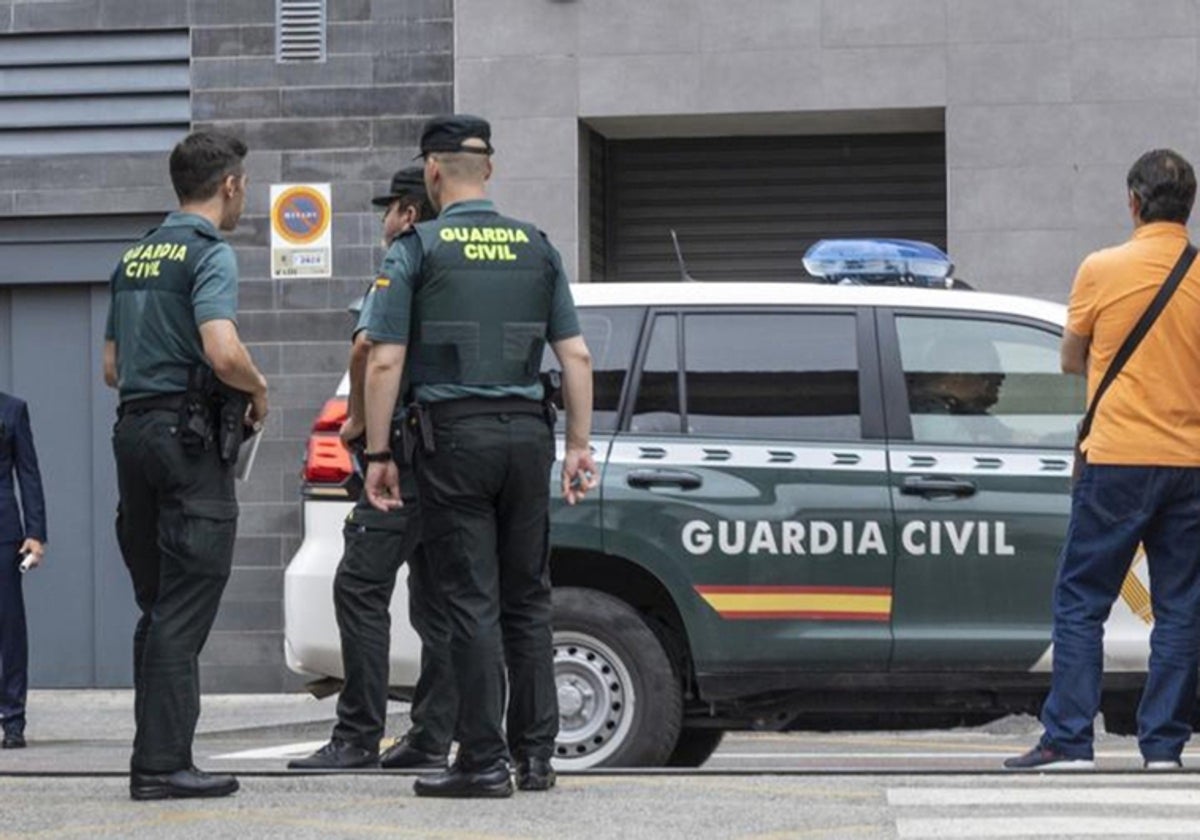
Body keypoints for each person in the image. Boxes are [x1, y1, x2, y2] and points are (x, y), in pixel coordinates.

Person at [363, 114, 598, 798]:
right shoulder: (538, 246)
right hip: (528, 437)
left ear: (432, 173)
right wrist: (579, 447)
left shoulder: (418, 250)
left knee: (470, 600)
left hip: (453, 439)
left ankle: (482, 761)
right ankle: (537, 757)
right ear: (488, 169)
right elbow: (576, 355)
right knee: (529, 599)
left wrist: (379, 452)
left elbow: (384, 361)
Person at [1006, 148, 1200, 771]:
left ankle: (1068, 740)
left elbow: (1070, 358)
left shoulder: (1100, 268)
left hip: (1116, 460)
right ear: (1188, 207)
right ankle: (1164, 747)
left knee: (1081, 600)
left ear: (1133, 202)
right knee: (1180, 606)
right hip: (1191, 463)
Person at [103, 131, 268, 799]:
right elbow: (223, 350)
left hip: (134, 434)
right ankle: (163, 765)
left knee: (158, 605)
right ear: (229, 185)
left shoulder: (135, 255)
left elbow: (112, 369)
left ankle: (155, 755)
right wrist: (257, 389)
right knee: (185, 605)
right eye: (245, 186)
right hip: (188, 442)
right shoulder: (209, 254)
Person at [288, 166, 457, 771]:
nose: (384, 220)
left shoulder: (403, 265)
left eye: (389, 209)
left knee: (359, 587)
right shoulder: (459, 270)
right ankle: (432, 736)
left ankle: (357, 734)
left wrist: (359, 421)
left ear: (409, 213)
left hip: (403, 459)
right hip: (454, 463)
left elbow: (366, 348)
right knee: (437, 601)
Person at [0, 391, 46, 750]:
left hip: (4, 534)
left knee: (10, 626)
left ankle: (13, 719)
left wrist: (35, 532)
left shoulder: (13, 409)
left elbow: (28, 473)